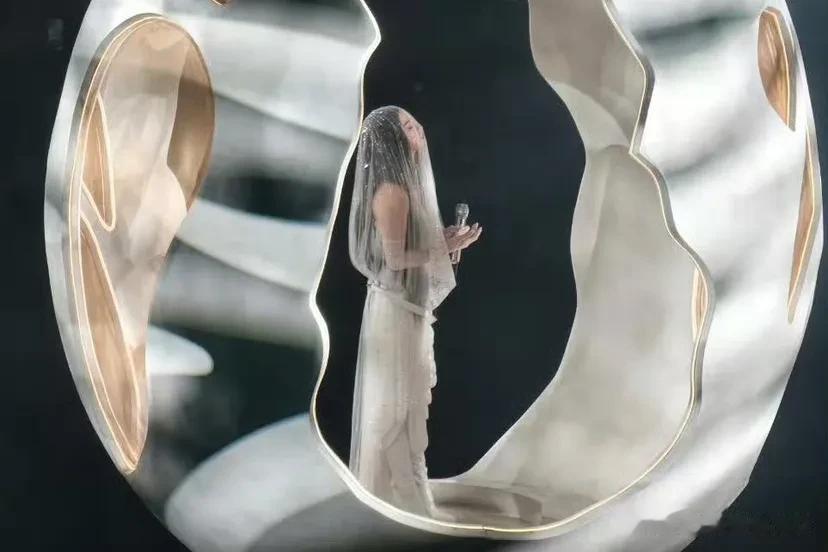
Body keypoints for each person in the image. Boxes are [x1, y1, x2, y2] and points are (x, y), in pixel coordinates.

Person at [347, 105, 482, 516]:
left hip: (406, 310)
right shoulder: (393, 193)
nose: (418, 130)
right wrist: (445, 247)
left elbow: (410, 250)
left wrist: (443, 241)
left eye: (416, 123)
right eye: (408, 127)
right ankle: (409, 506)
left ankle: (409, 503)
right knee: (398, 416)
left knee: (409, 415)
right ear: (394, 139)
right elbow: (395, 261)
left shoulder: (406, 190)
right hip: (394, 315)